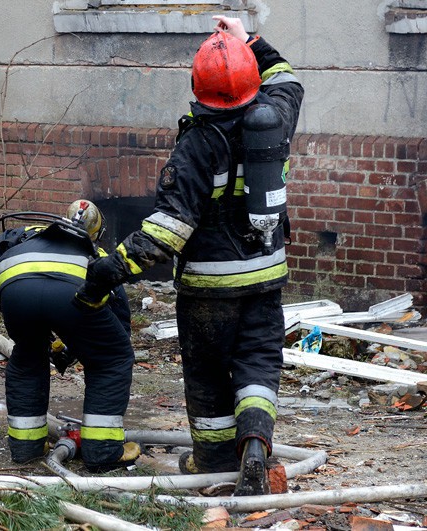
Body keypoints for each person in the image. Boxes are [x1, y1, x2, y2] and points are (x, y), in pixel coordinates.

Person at [75, 16, 304, 495]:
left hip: (208, 291)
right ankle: (255, 444)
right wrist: (249, 39)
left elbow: (165, 234)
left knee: (208, 376)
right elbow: (287, 78)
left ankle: (214, 464)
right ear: (252, 82)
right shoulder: (277, 117)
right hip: (266, 279)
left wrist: (107, 272)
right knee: (259, 363)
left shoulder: (197, 145)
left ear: (198, 89)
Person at [0, 200, 140, 471]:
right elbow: (116, 319)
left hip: (15, 290)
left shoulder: (26, 233)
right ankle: (103, 452)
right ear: (97, 232)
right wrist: (82, 346)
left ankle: (27, 448)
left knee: (27, 358)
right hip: (72, 295)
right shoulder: (98, 255)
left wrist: (1, 299)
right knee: (111, 360)